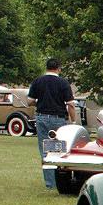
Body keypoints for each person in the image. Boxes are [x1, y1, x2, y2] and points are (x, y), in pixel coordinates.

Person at [28, 58, 77, 190]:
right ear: (59, 68)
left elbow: (29, 101)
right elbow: (70, 104)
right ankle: (60, 180)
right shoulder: (63, 83)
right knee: (58, 150)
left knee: (45, 150)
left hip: (42, 118)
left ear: (47, 67)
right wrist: (74, 121)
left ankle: (50, 183)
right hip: (58, 119)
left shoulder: (38, 81)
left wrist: (40, 102)